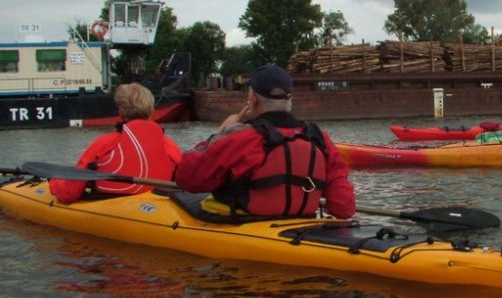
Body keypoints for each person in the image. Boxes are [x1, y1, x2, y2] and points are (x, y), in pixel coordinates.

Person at [174, 64, 355, 219]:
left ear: (253, 100)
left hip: (248, 227)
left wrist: (220, 133)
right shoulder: (320, 139)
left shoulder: (243, 138)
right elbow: (344, 208)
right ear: (290, 100)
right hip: (301, 224)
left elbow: (188, 178)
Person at [49, 83, 182, 203]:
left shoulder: (105, 143)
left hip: (110, 203)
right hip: (155, 206)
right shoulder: (169, 146)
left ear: (120, 111)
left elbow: (68, 193)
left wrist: (54, 180)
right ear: (151, 110)